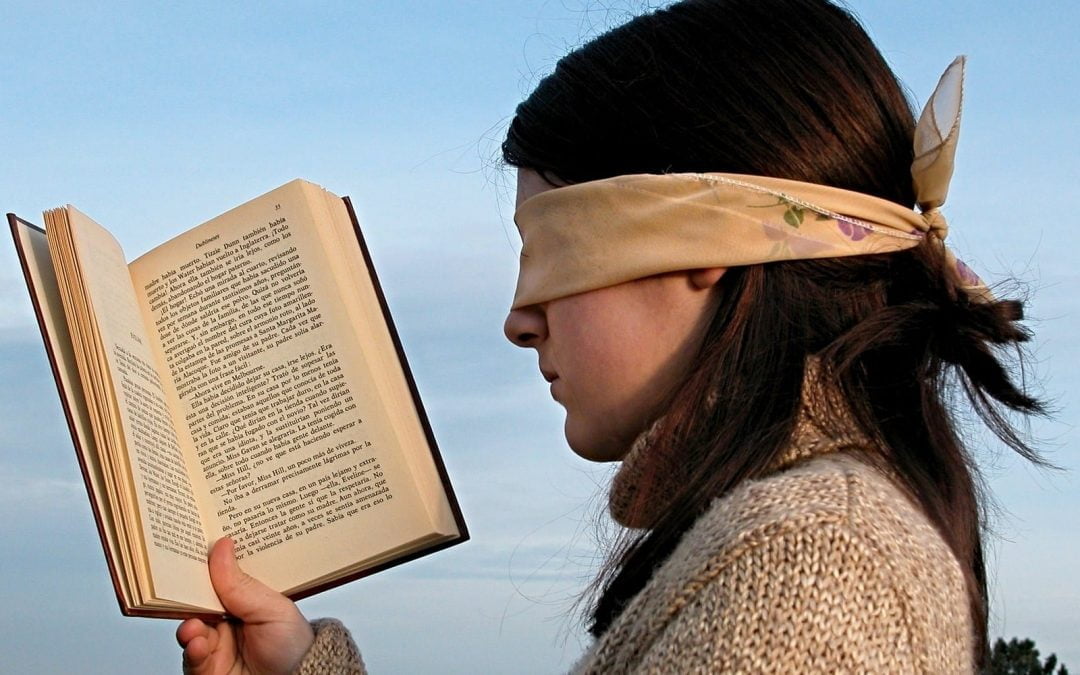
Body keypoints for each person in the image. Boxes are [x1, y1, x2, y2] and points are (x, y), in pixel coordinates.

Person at [177, 0, 1046, 672]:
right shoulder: (815, 539)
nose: (519, 320)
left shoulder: (816, 568)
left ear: (703, 240)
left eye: (550, 248)